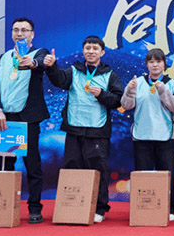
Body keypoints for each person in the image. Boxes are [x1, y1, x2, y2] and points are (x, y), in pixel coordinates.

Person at [44, 35, 123, 223]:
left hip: (97, 130)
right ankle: (74, 207)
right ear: (83, 51)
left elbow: (117, 100)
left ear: (102, 52)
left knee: (98, 169)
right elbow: (59, 81)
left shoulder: (109, 75)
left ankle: (99, 208)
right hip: (74, 128)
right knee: (72, 167)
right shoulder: (74, 71)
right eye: (88, 48)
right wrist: (52, 67)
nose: (91, 51)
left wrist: (102, 94)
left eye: (95, 49)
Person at [0, 17, 49, 224]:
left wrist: (32, 63)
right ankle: (5, 207)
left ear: (32, 34)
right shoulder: (4, 57)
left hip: (28, 118)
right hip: (5, 119)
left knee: (32, 165)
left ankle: (34, 208)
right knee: (4, 165)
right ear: (12, 33)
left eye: (24, 30)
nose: (20, 33)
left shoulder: (38, 53)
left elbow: (41, 63)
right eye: (16, 30)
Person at [120, 48, 174, 221]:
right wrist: (129, 90)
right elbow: (126, 105)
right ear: (146, 64)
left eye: (158, 61)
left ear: (164, 64)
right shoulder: (137, 82)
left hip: (165, 135)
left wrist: (163, 90)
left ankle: (168, 209)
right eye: (151, 61)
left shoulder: (172, 83)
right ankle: (142, 208)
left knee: (167, 175)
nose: (155, 65)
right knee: (142, 176)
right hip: (142, 135)